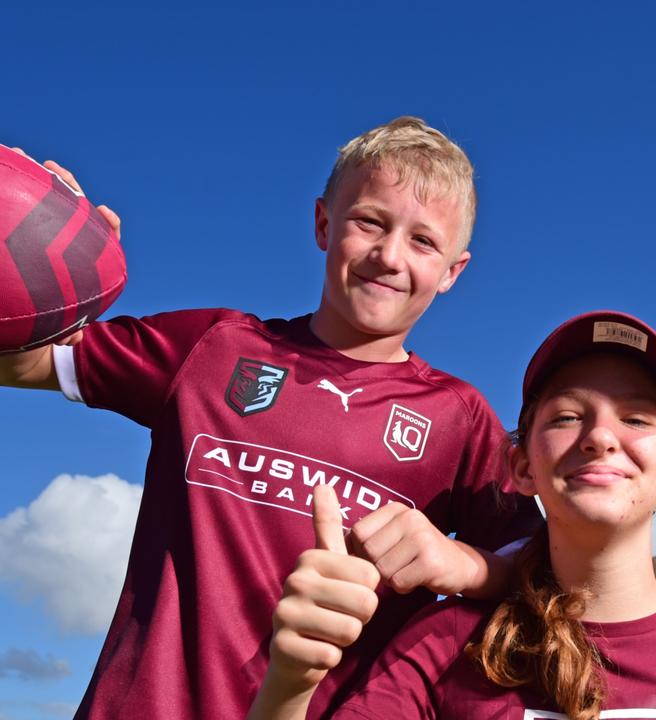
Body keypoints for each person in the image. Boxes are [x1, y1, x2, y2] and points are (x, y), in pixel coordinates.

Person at [0, 118, 542, 719]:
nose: (389, 256)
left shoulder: (458, 417)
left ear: (452, 271)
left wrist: (462, 562)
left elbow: (546, 569)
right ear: (322, 224)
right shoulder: (215, 347)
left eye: (423, 241)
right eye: (369, 222)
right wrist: (22, 261)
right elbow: (23, 366)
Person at [249, 310, 656, 719]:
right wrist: (288, 685)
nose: (601, 437)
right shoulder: (446, 644)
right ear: (521, 467)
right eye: (568, 416)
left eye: (636, 418)